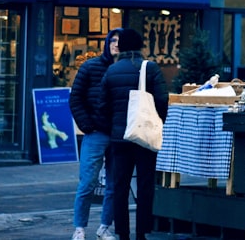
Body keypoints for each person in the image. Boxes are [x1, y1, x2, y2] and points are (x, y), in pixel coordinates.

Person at [101, 28, 169, 240]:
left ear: (120, 47)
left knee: (120, 186)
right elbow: (162, 100)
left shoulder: (111, 71)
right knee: (145, 185)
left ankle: (122, 233)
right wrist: (158, 122)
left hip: (120, 138)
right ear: (141, 46)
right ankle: (142, 233)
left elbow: (103, 107)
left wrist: (113, 128)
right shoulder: (150, 68)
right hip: (145, 137)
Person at [68, 28, 122, 240]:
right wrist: (86, 124)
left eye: (120, 41)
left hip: (119, 135)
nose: (116, 44)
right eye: (113, 40)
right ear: (107, 43)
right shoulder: (90, 67)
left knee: (114, 184)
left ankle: (104, 228)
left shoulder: (130, 69)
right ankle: (79, 228)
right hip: (96, 132)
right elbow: (75, 99)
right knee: (87, 182)